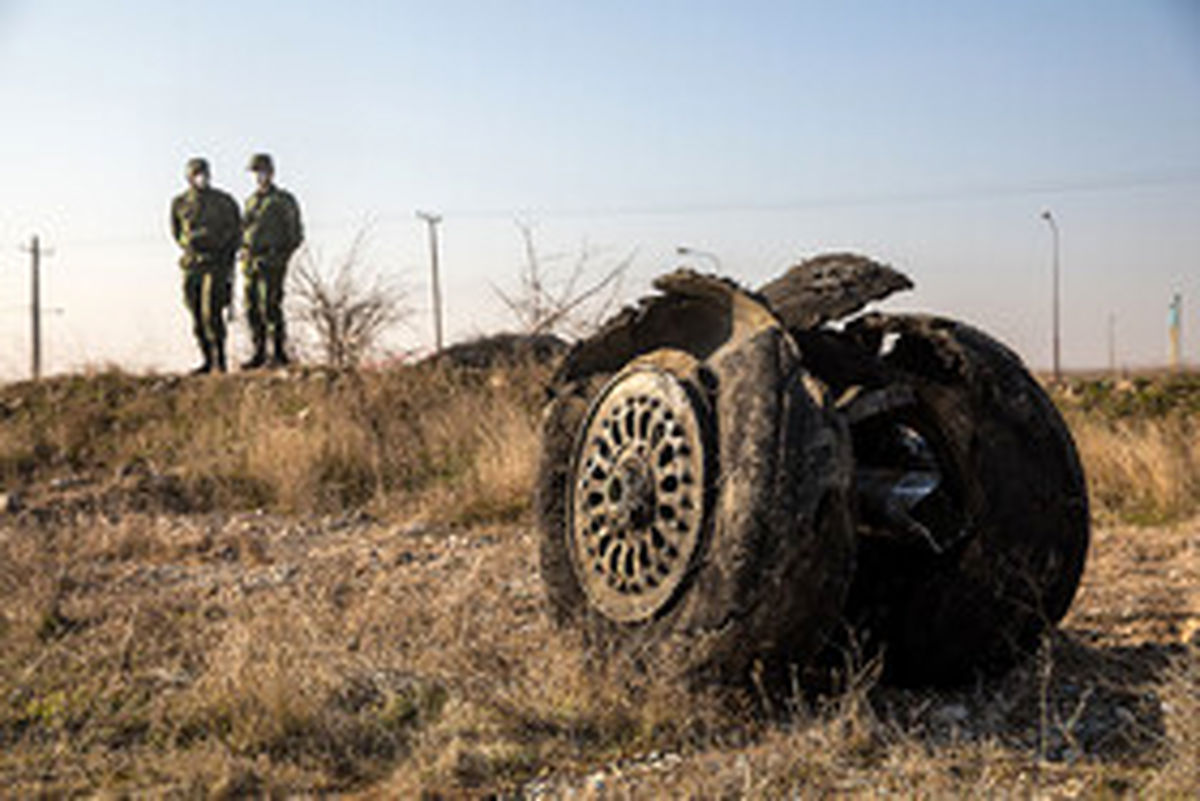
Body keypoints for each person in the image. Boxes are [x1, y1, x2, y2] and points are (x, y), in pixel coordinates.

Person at [170, 157, 241, 374]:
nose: (202, 178)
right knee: (196, 314)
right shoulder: (180, 203)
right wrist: (191, 241)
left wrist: (219, 244)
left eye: (205, 173)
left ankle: (220, 360)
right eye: (197, 174)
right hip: (192, 265)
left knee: (212, 313)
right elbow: (177, 233)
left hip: (216, 264)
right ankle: (206, 360)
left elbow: (236, 230)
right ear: (189, 177)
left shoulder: (224, 201)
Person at [241, 153, 304, 368]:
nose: (260, 177)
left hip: (273, 260)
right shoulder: (251, 201)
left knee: (270, 306)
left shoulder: (283, 200)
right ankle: (258, 353)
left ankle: (278, 353)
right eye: (256, 173)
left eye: (263, 172)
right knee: (251, 308)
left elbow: (295, 234)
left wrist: (280, 256)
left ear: (271, 172)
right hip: (251, 262)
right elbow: (244, 230)